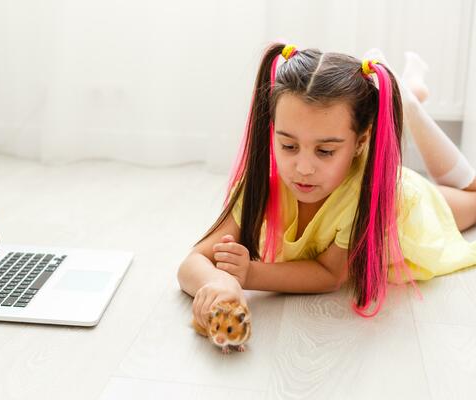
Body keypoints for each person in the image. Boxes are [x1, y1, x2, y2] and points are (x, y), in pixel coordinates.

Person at [177, 43, 476, 323]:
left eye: (325, 151)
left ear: (361, 142)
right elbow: (193, 261)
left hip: (403, 206)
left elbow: (329, 274)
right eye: (289, 146)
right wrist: (219, 282)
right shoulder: (261, 185)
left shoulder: (370, 195)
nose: (303, 169)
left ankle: (408, 103)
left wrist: (249, 275)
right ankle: (408, 95)